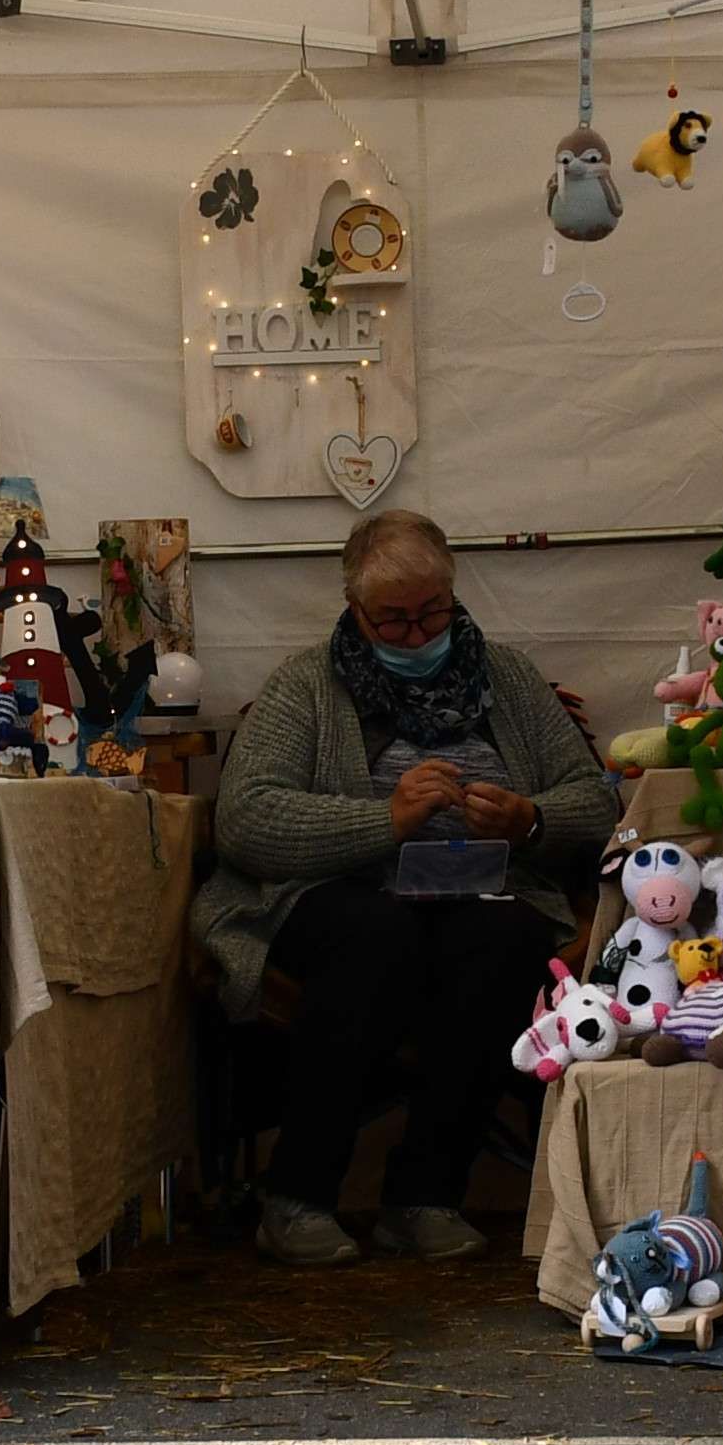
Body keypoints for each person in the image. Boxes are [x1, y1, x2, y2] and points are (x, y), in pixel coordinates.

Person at [190, 508, 614, 1264]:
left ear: (452, 595)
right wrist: (383, 821)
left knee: (505, 938)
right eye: (395, 622)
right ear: (355, 610)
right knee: (376, 934)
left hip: (478, 892)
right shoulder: (305, 686)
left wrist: (528, 819)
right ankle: (299, 1195)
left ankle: (426, 1195)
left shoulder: (507, 678)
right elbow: (245, 820)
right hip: (338, 895)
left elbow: (594, 799)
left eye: (433, 615)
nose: (419, 637)